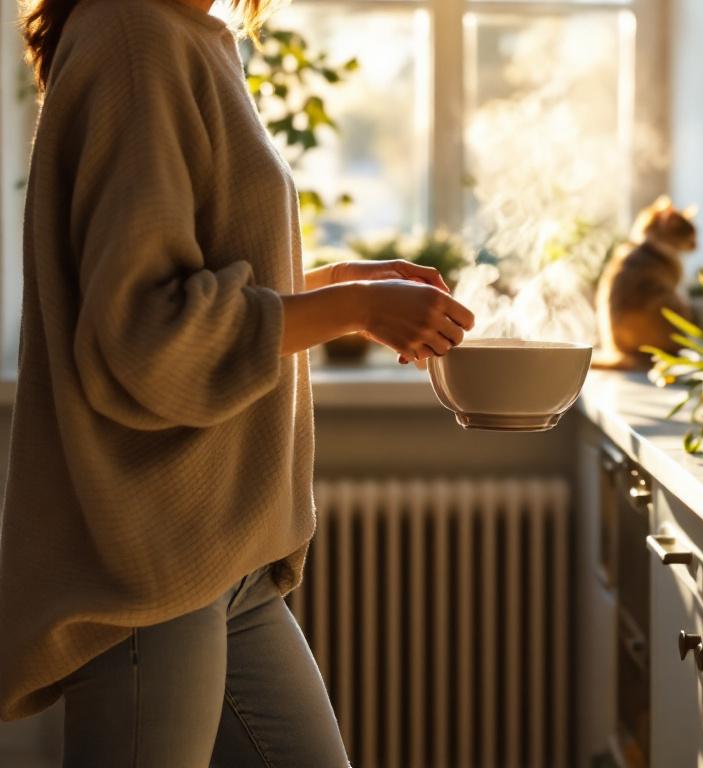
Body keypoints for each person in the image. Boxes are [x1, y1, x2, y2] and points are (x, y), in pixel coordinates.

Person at [0, 0, 473, 762]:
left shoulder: (188, 35)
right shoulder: (134, 35)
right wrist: (355, 305)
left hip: (226, 557)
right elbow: (147, 335)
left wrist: (342, 288)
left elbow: (197, 281)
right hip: (152, 562)